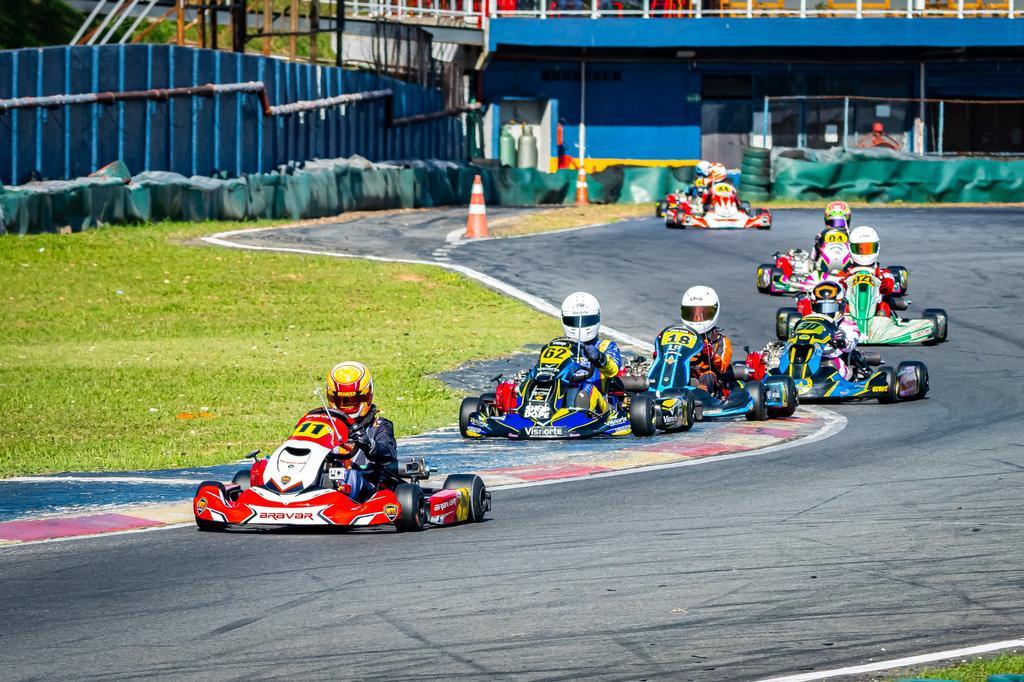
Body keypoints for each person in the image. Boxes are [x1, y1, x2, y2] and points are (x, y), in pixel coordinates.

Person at [318, 360, 397, 502]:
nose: (348, 405)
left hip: (366, 486)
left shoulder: (378, 426)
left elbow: (389, 454)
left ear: (367, 396)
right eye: (342, 400)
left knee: (352, 475)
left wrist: (369, 444)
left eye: (354, 400)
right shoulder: (323, 424)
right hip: (325, 481)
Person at [559, 291, 622, 414]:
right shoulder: (560, 347)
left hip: (599, 402)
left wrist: (599, 357)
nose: (580, 326)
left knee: (586, 390)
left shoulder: (606, 346)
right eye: (573, 321)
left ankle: (578, 415)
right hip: (562, 393)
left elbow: (613, 370)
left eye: (587, 320)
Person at [679, 285, 732, 397]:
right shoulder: (680, 336)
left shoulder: (721, 341)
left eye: (703, 314)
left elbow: (723, 367)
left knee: (709, 375)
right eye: (692, 314)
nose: (697, 318)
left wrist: (711, 355)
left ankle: (701, 397)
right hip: (684, 374)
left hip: (709, 380)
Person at [803, 281, 861, 381]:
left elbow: (850, 345)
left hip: (833, 362)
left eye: (830, 308)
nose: (825, 313)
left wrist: (842, 341)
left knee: (831, 364)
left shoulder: (847, 325)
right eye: (820, 308)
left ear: (841, 306)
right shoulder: (807, 324)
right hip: (807, 359)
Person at [844, 225, 898, 317]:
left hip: (876, 312)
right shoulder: (845, 273)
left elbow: (889, 285)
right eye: (860, 249)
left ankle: (882, 328)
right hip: (851, 311)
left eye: (868, 248)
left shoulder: (883, 273)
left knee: (883, 307)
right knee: (843, 308)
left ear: (877, 247)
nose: (864, 253)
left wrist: (880, 279)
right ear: (850, 248)